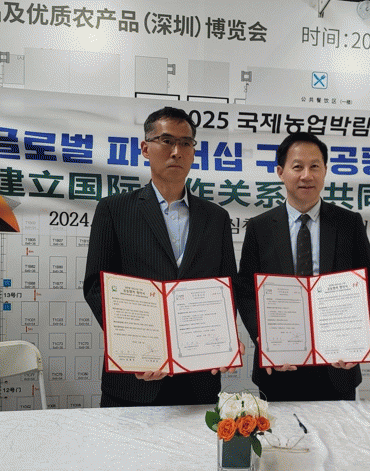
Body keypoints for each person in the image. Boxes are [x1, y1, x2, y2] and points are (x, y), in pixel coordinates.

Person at [83, 106, 240, 407]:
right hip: (135, 377)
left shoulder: (216, 217)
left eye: (186, 143)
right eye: (167, 141)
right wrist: (135, 348)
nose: (177, 152)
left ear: (193, 151)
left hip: (199, 377)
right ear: (145, 148)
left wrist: (221, 341)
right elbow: (95, 287)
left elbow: (227, 287)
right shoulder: (114, 210)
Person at [237, 132, 370, 401]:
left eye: (315, 166)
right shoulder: (260, 228)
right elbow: (246, 292)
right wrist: (264, 339)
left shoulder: (349, 224)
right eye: (297, 167)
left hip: (337, 367)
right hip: (279, 367)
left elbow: (369, 290)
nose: (307, 175)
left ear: (325, 170)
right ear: (280, 172)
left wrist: (355, 339)